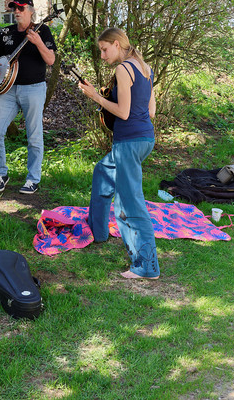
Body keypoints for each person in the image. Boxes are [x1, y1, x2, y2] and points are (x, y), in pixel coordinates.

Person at [78, 28, 159, 280]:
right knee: (102, 172)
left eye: (104, 49)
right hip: (145, 139)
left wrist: (95, 97)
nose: (102, 55)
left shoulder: (124, 69)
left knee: (129, 202)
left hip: (129, 143)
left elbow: (123, 112)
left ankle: (146, 267)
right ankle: (98, 231)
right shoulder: (145, 67)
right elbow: (151, 111)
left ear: (116, 44)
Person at [0, 0, 56, 195]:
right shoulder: (5, 32)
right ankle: (1, 174)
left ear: (31, 11)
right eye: (14, 8)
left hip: (33, 88)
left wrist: (38, 43)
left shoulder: (43, 30)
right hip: (7, 90)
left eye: (21, 8)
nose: (16, 11)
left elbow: (51, 60)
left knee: (34, 136)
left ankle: (33, 179)